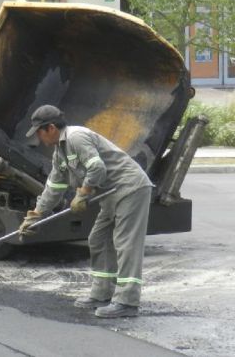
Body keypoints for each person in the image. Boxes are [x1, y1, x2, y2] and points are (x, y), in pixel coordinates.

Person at [18, 105, 153, 318]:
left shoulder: (76, 138)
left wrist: (82, 193)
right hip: (110, 194)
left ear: (51, 128)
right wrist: (36, 215)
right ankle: (102, 293)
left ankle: (127, 302)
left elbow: (97, 168)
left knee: (125, 243)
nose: (39, 138)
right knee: (98, 238)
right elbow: (53, 188)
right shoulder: (59, 153)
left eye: (39, 132)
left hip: (129, 188)